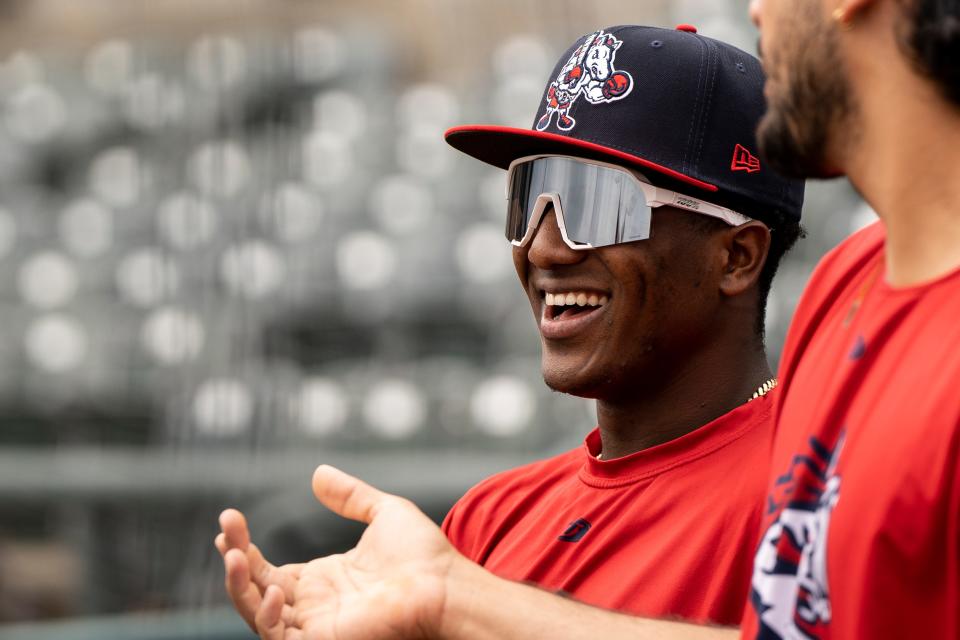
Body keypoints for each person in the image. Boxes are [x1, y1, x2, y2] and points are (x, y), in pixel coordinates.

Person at [218, 0, 960, 635]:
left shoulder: (803, 479)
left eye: (593, 205)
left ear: (735, 257)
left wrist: (458, 601)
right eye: (530, 195)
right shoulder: (485, 520)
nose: (542, 245)